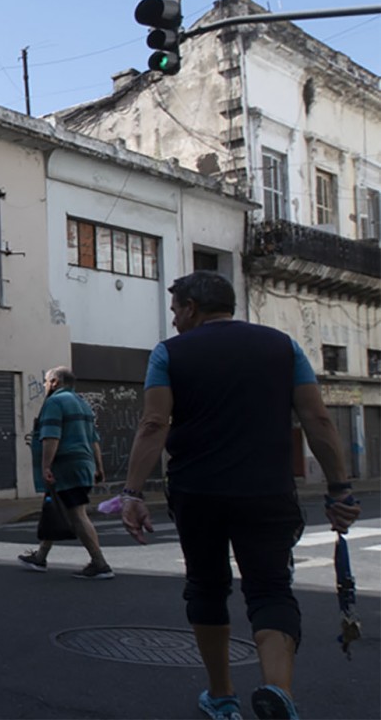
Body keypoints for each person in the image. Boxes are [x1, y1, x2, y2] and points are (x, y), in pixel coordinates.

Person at [120, 272, 360, 720]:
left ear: (191, 306)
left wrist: (132, 492)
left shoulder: (168, 353)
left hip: (198, 494)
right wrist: (339, 489)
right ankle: (278, 691)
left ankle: (222, 696)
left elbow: (154, 424)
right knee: (270, 590)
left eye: (175, 311)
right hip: (267, 492)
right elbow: (318, 421)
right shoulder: (283, 347)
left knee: (207, 588)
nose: (173, 321)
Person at [18, 366, 112, 579]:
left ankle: (100, 563)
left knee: (77, 514)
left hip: (67, 466)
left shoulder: (54, 403)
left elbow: (51, 437)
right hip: (83, 464)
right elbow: (93, 439)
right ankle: (41, 556)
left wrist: (46, 467)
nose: (43, 385)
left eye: (45, 381)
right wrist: (99, 467)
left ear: (54, 382)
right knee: (57, 508)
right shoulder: (82, 403)